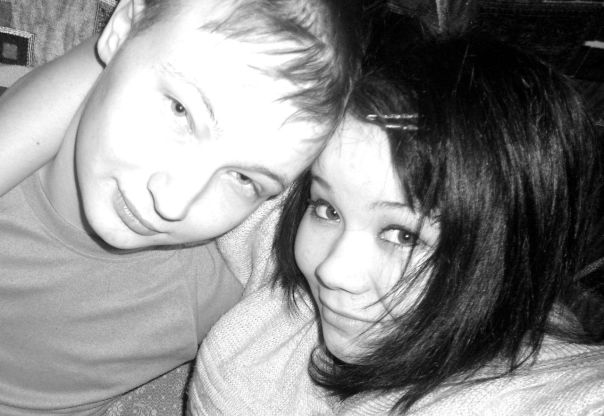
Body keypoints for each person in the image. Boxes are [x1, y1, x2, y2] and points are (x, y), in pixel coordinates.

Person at [189, 23, 604, 415]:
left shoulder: (544, 393)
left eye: (403, 235)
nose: (333, 271)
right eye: (328, 210)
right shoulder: (289, 255)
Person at [0, 0, 360, 414]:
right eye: (180, 111)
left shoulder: (215, 291)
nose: (173, 203)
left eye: (244, 179)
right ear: (121, 28)